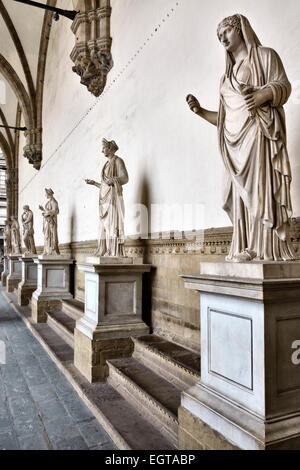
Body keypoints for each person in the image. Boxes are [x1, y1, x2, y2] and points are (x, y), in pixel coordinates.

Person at [187, 14, 296, 262]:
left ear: (240, 30)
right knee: (231, 196)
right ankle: (245, 244)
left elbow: (284, 86)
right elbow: (225, 118)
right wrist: (201, 111)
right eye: (218, 36)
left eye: (225, 31)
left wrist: (263, 95)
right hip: (232, 144)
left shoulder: (265, 56)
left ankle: (262, 249)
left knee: (259, 192)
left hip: (258, 133)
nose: (222, 38)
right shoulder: (226, 77)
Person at [85, 138, 129, 257]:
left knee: (111, 225)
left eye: (104, 148)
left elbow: (125, 178)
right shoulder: (106, 165)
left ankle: (113, 251)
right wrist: (94, 183)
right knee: (102, 227)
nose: (102, 150)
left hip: (113, 200)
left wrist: (114, 180)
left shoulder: (118, 161)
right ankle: (103, 250)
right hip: (104, 201)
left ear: (109, 148)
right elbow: (105, 186)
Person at [39, 188, 60, 255]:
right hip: (47, 221)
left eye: (46, 194)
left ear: (49, 194)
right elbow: (48, 211)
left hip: (51, 222)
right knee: (47, 236)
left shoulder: (54, 201)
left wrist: (47, 213)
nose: (45, 195)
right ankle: (47, 250)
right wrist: (43, 210)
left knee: (51, 235)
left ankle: (52, 250)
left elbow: (56, 211)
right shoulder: (49, 202)